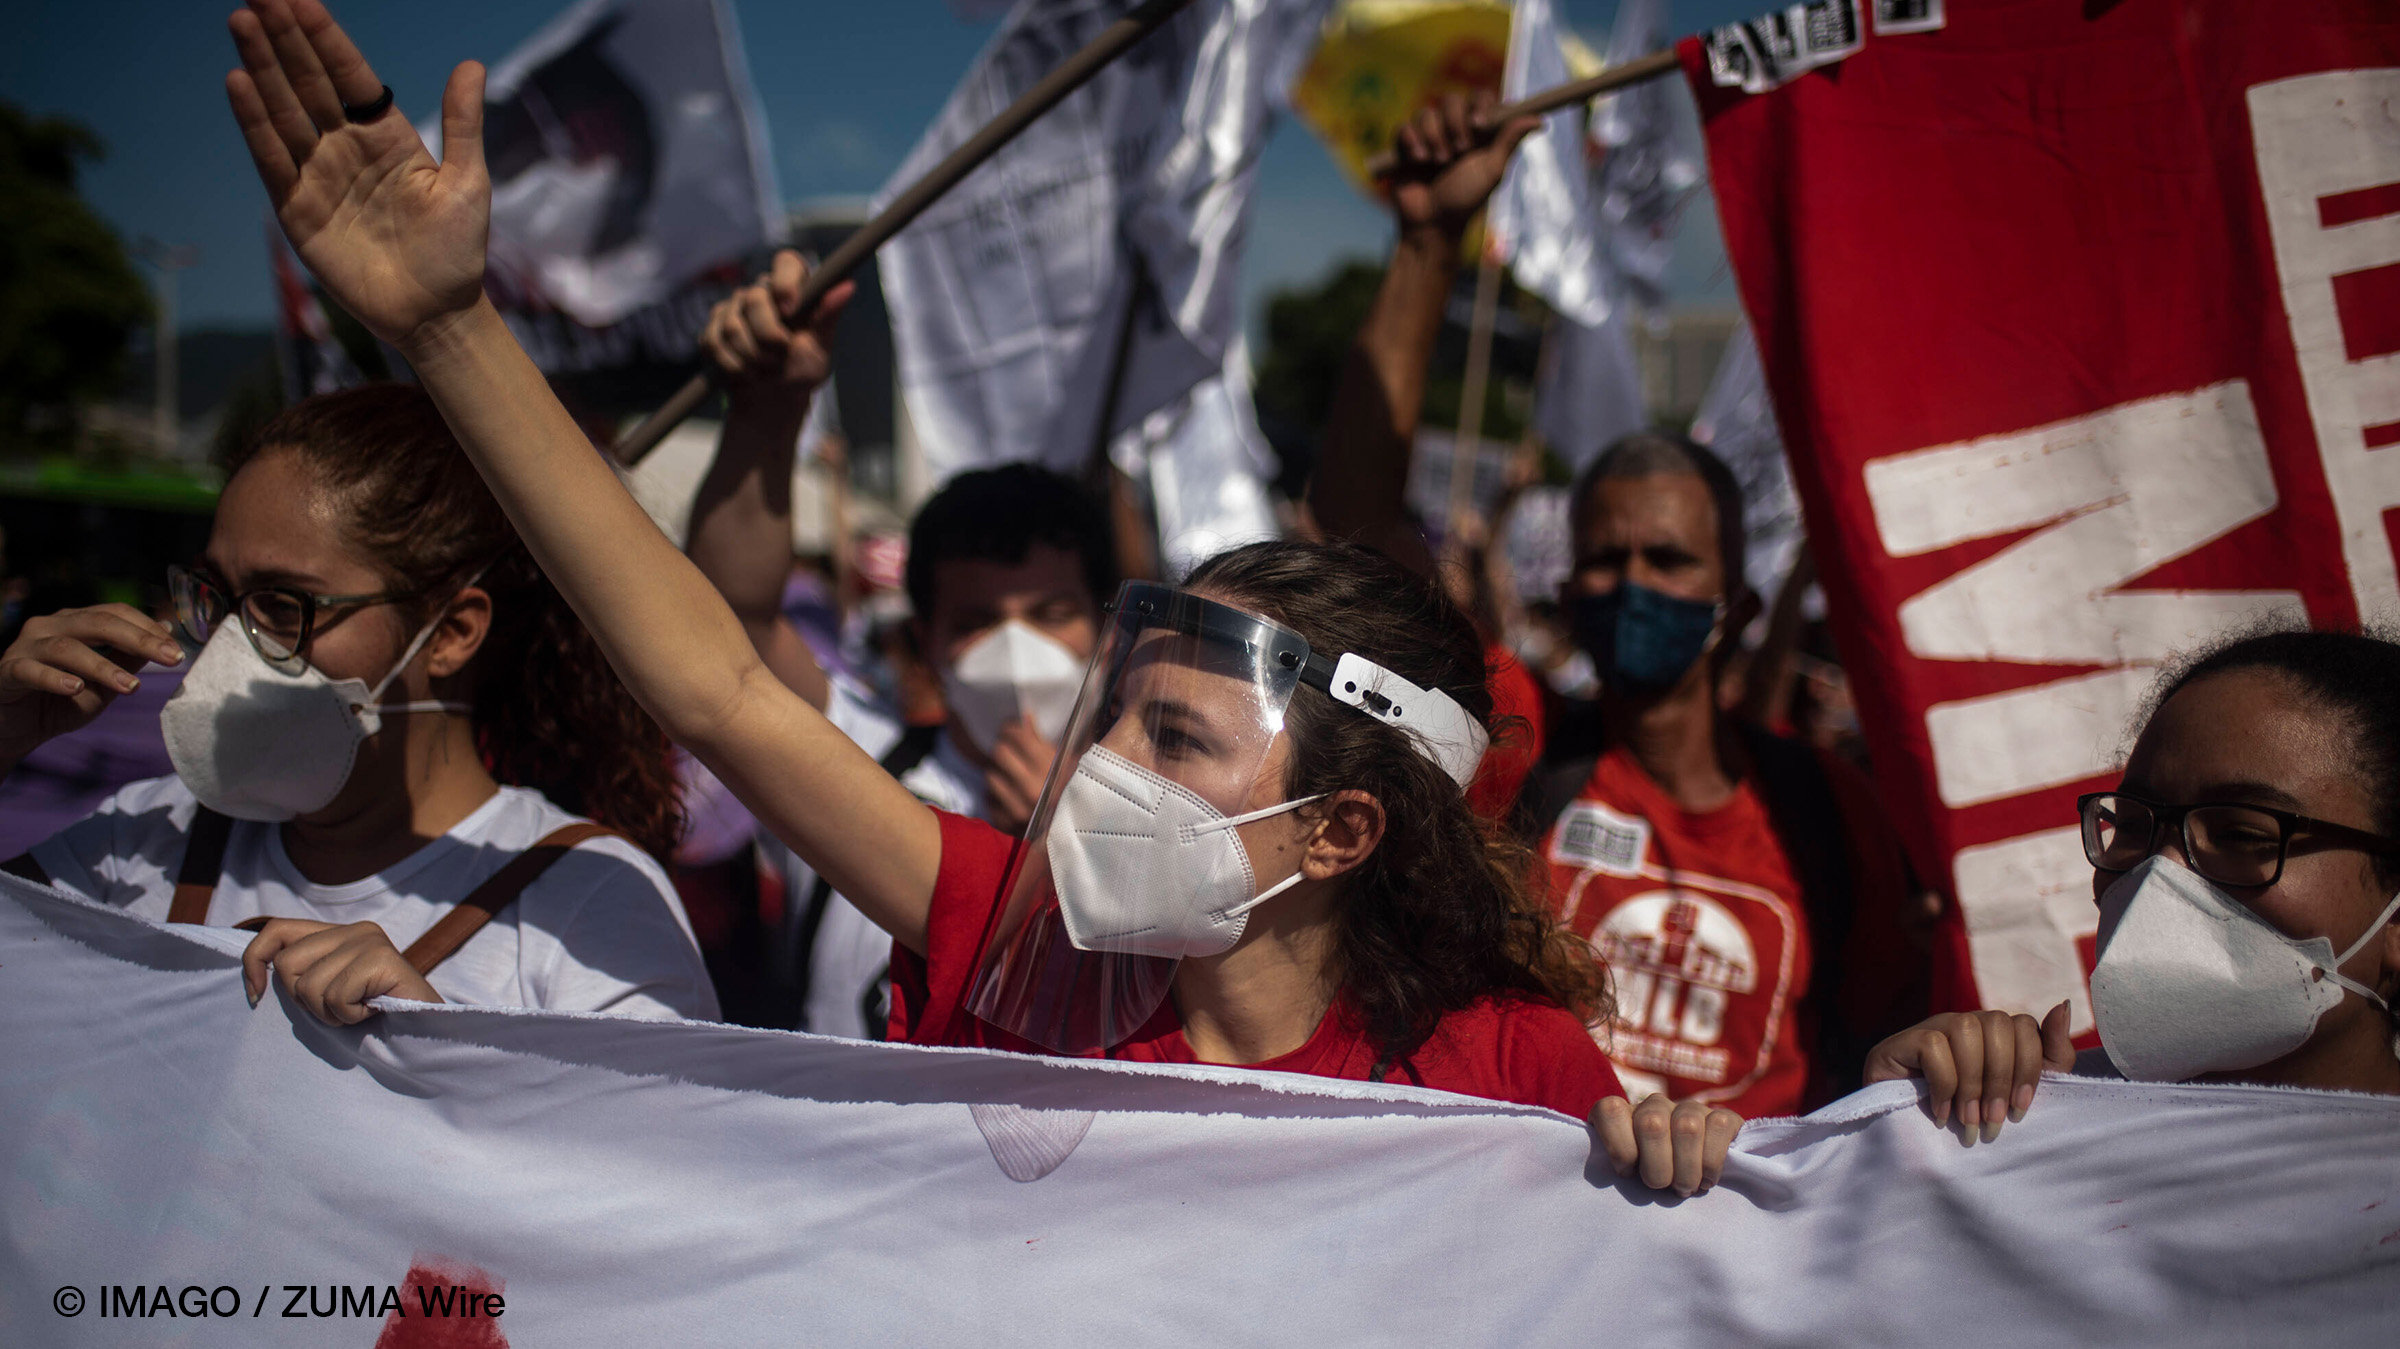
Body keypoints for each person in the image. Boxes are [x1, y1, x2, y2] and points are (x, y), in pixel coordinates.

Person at [216, 0, 1735, 1193]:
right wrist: (452, 328)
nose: (1100, 766)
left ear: (1341, 832)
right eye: (1121, 720)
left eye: (1179, 742)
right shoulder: (1041, 962)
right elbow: (721, 691)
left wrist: (1776, 1148)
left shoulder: (1512, 1066)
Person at [1309, 95, 1926, 1120]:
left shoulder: (1829, 811)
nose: (1630, 580)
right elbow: (1359, 532)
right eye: (1605, 556)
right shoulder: (1523, 742)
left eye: (1668, 557)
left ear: (1738, 600)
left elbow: (1877, 1052)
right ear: (1565, 583)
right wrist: (1427, 241)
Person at [0, 384, 717, 1027]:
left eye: (284, 605)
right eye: (214, 596)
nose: (228, 644)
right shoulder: (143, 839)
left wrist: (438, 1052)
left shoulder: (590, 905)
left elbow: (656, 1165)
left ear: (452, 633)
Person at [689, 259, 1115, 1035]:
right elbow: (731, 620)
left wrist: (1081, 855)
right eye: (978, 621)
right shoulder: (857, 765)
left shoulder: (1165, 821)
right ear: (925, 639)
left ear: (1109, 630)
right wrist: (766, 413)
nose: (1018, 650)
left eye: (1051, 614)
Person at [1866, 629, 2400, 1138]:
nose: (2159, 871)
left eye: (2240, 833)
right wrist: (1900, 1136)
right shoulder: (1997, 1127)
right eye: (2132, 823)